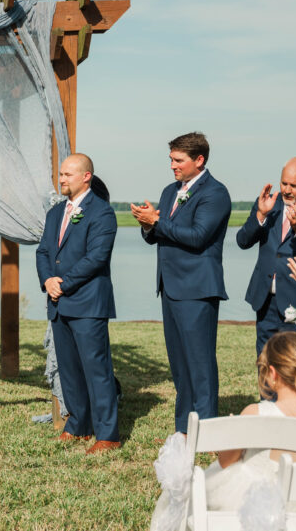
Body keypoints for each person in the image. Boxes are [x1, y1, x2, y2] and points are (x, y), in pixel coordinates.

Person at [131, 132, 232, 434]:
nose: (172, 165)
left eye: (178, 160)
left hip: (198, 289)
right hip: (171, 287)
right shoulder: (169, 191)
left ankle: (207, 428)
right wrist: (147, 226)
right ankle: (183, 427)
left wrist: (158, 223)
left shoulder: (215, 193)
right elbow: (159, 234)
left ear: (199, 160)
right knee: (179, 363)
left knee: (200, 363)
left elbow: (199, 236)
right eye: (171, 159)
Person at [150, 331, 296, 530]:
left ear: (273, 374)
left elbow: (226, 461)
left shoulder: (255, 413)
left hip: (248, 505)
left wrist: (231, 438)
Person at [35, 154, 120, 454]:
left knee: (97, 370)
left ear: (86, 177)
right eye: (60, 174)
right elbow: (43, 252)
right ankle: (79, 425)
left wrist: (63, 284)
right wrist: (47, 281)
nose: (62, 179)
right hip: (58, 303)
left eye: (68, 174)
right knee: (70, 371)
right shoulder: (55, 213)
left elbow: (96, 258)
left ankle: (108, 434)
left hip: (87, 303)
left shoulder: (103, 213)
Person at [236, 157, 296, 356]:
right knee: (265, 362)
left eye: (294, 185)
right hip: (265, 300)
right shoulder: (268, 203)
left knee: (293, 364)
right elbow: (242, 241)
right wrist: (260, 216)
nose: (287, 190)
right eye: (284, 183)